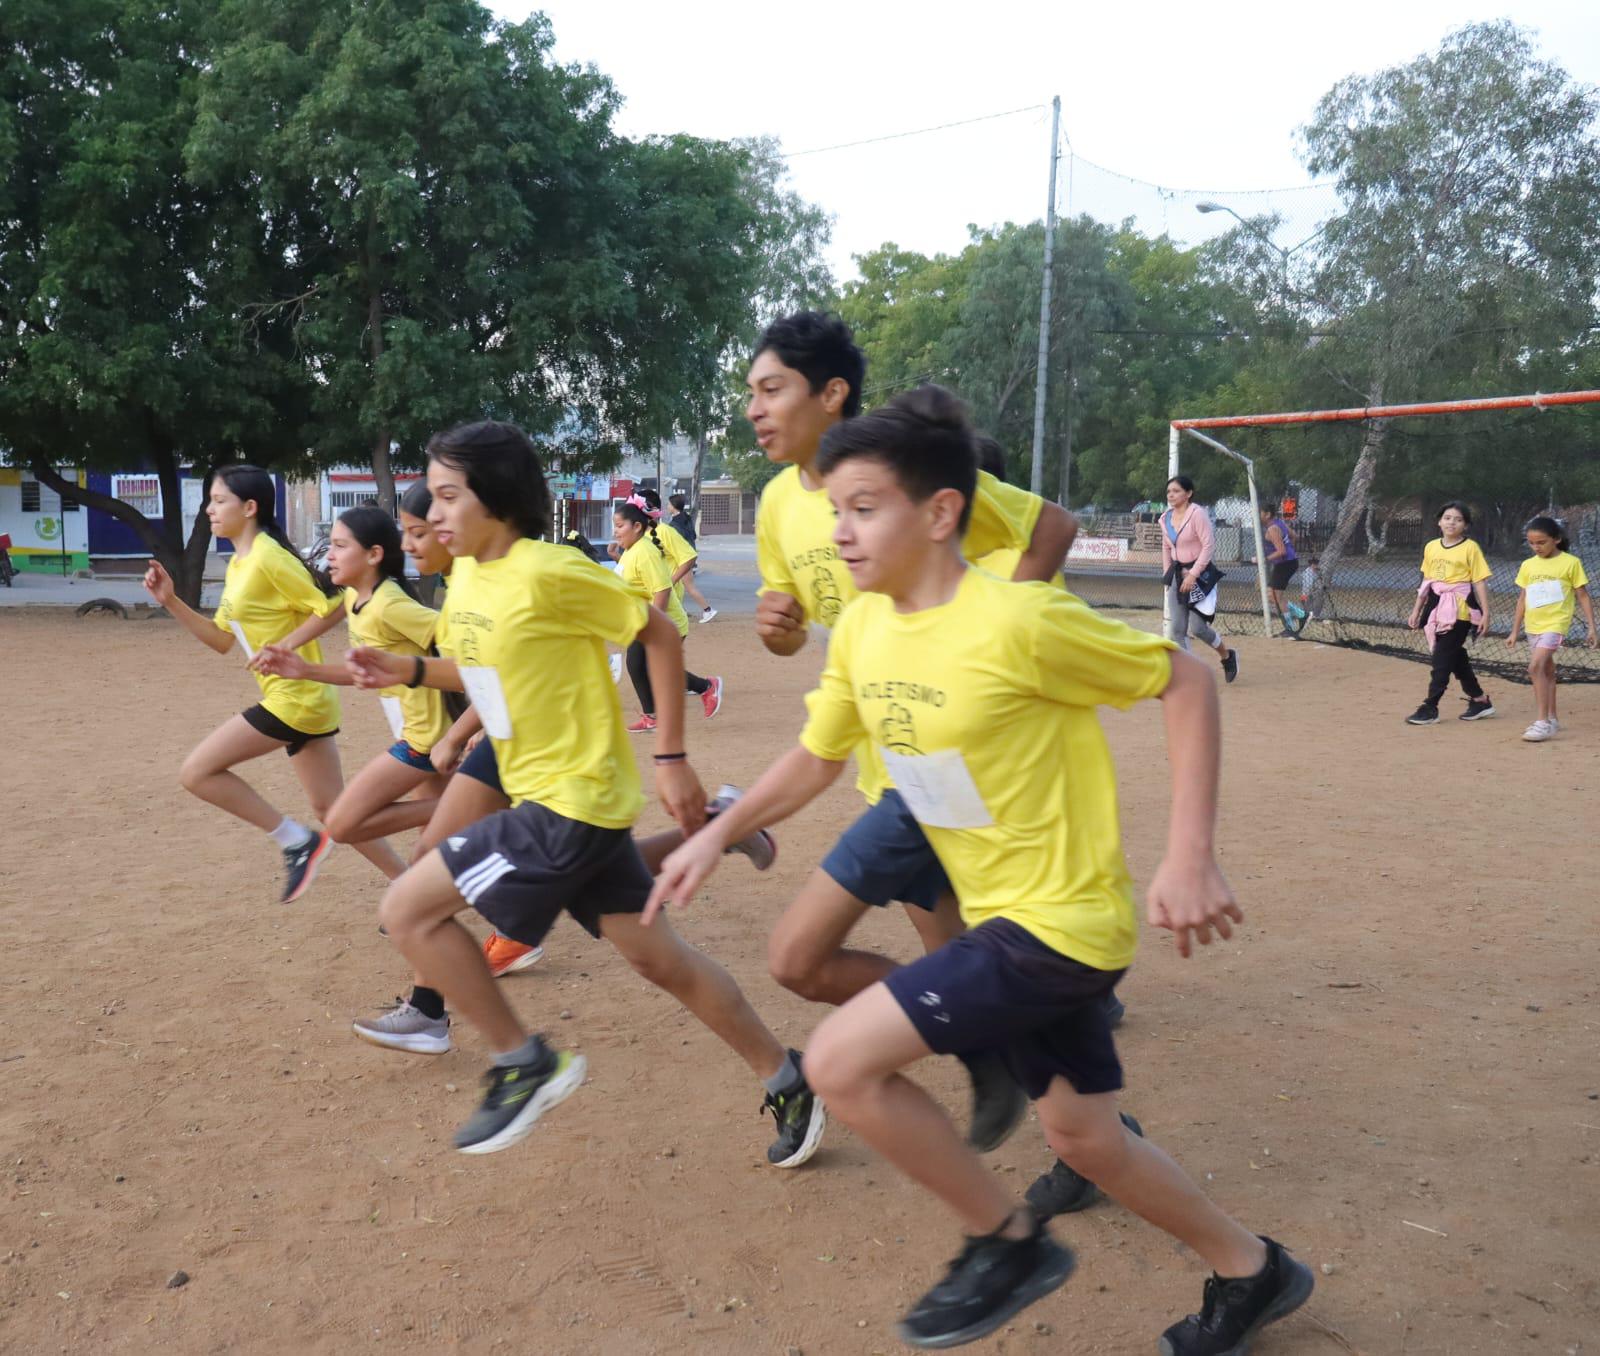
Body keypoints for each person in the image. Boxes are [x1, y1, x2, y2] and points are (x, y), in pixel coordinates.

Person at [649, 386, 1312, 1352]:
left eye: (863, 508)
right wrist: (718, 828)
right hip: (1004, 912)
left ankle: (1005, 1245)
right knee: (1084, 1136)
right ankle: (1254, 1270)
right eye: (835, 510)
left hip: (1060, 926)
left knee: (836, 1062)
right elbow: (820, 755)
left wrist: (1189, 854)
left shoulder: (1018, 620)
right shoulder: (869, 627)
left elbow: (1185, 678)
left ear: (942, 511)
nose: (838, 533)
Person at [351, 420, 822, 1163]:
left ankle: (521, 1061)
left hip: (568, 803)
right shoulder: (470, 574)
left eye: (447, 496)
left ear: (497, 499)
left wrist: (670, 756)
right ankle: (787, 1076)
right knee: (661, 960)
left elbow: (659, 636)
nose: (434, 515)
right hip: (558, 798)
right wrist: (406, 671)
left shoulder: (551, 571)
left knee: (409, 906)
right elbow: (491, 671)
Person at [744, 311, 1080, 1154]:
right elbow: (798, 629)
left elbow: (1050, 530)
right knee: (959, 971)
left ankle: (1054, 1087)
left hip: (957, 764)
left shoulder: (906, 468)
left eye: (771, 388)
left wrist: (984, 636)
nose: (754, 408)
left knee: (861, 963)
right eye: (750, 392)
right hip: (885, 765)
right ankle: (1064, 1108)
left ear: (832, 394)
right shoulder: (778, 507)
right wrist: (779, 629)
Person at [142, 465, 405, 903]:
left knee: (197, 771)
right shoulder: (240, 564)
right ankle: (410, 882)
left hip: (296, 697)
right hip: (301, 698)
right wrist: (171, 601)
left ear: (249, 507)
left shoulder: (268, 556)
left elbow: (333, 605)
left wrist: (284, 646)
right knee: (336, 813)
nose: (209, 509)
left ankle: (295, 840)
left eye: (219, 500)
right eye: (210, 500)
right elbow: (223, 641)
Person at [249, 506, 451, 849]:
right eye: (331, 545)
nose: (330, 555)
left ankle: (472, 806)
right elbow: (366, 671)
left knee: (342, 825)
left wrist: (466, 728)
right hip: (417, 733)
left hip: (427, 741)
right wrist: (305, 669)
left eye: (341, 546)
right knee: (434, 849)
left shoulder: (389, 605)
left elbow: (460, 643)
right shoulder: (357, 597)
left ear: (374, 555)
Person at [612, 498, 722, 733]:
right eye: (615, 525)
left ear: (637, 526)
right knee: (641, 665)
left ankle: (705, 687)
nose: (615, 531)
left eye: (620, 526)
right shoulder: (632, 551)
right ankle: (661, 711)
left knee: (648, 667)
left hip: (662, 621)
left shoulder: (645, 552)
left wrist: (652, 624)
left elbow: (661, 591)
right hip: (646, 619)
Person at [1506, 514, 1595, 742]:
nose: (1536, 547)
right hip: (1533, 624)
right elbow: (1522, 599)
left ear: (1556, 539)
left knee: (1535, 667)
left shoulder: (1570, 562)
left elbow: (1582, 595)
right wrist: (1515, 631)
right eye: (1531, 543)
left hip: (1556, 624)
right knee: (1546, 671)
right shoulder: (1528, 565)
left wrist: (1592, 628)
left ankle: (1542, 722)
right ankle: (1553, 718)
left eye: (1541, 542)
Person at [1405, 501, 1495, 725]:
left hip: (1460, 608)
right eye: (1447, 518)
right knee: (1454, 656)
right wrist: (1417, 609)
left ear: (1465, 525)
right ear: (1439, 521)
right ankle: (1480, 700)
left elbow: (1479, 582)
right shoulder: (1431, 547)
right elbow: (1427, 580)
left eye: (1458, 519)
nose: (1452, 522)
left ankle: (1430, 706)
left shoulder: (1470, 548)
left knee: (1441, 659)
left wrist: (1485, 613)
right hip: (1436, 605)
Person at [1160, 476, 1238, 682]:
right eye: (1169, 491)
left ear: (1188, 493)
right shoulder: (1164, 518)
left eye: (1176, 491)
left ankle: (1227, 656)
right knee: (1177, 629)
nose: (1171, 495)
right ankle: (1190, 674)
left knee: (1198, 628)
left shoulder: (1197, 514)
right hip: (1178, 575)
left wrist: (1193, 574)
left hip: (1201, 576)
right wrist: (1168, 574)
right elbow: (1166, 547)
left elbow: (1208, 545)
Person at [666, 490, 717, 621]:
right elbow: (693, 536)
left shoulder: (674, 525)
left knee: (688, 586)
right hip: (688, 557)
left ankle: (708, 610)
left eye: (668, 504)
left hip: (683, 559)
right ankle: (681, 611)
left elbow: (676, 543)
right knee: (677, 586)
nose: (667, 507)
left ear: (673, 505)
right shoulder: (686, 518)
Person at [1259, 504, 1304, 635]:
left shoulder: (1272, 528)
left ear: (1267, 514)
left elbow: (1281, 551)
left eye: (1261, 513)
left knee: (1275, 596)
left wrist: (1262, 559)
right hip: (1288, 563)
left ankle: (1297, 620)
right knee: (1272, 595)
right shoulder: (1280, 523)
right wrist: (1291, 550)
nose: (1259, 516)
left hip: (1285, 564)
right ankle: (1297, 620)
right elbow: (1294, 536)